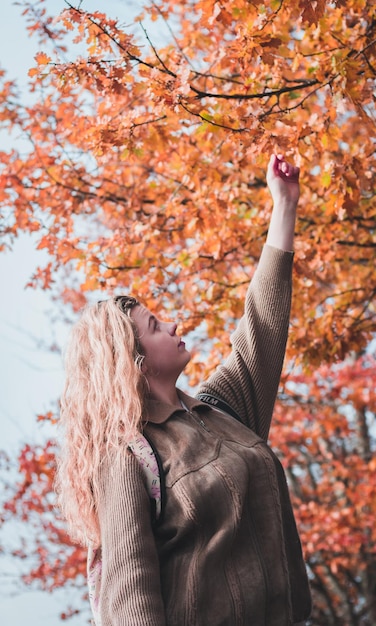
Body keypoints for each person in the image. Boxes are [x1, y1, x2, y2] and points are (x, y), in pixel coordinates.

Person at [56, 153, 312, 626]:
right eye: (155, 325)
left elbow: (263, 326)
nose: (173, 324)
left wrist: (285, 205)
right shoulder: (127, 458)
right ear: (132, 361)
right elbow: (130, 594)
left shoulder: (222, 413)